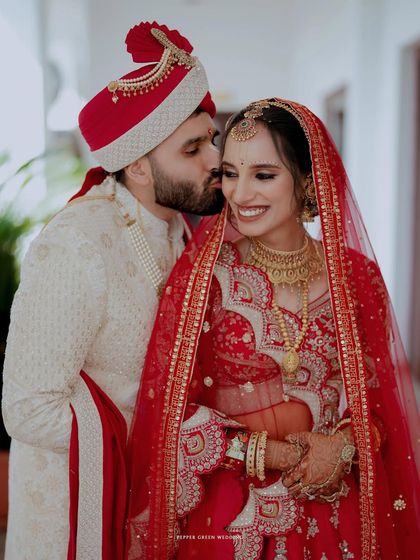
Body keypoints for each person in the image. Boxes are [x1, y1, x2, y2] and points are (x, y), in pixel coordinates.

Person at [125, 98, 420, 559]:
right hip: (227, 516)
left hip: (334, 507)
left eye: (263, 175)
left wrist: (340, 447)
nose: (240, 194)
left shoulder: (356, 278)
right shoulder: (203, 281)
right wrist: (273, 454)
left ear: (307, 180)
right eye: (229, 173)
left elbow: (384, 407)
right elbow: (166, 414)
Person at [1, 21, 223, 559]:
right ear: (140, 167)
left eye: (210, 141)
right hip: (76, 522)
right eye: (192, 149)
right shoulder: (77, 245)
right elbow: (27, 408)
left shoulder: (181, 227)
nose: (215, 160)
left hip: (159, 508)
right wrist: (163, 433)